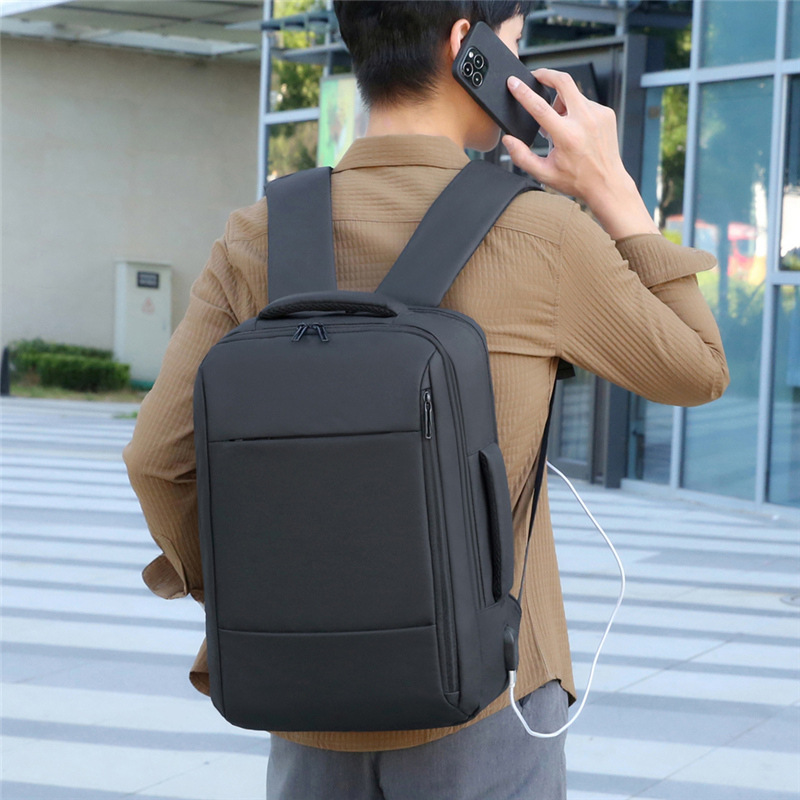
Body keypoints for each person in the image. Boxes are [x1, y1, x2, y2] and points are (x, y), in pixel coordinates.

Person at [123, 2, 729, 798]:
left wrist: (270, 599)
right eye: (514, 45)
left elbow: (157, 461)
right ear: (464, 43)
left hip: (309, 709)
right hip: (487, 703)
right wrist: (611, 188)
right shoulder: (543, 235)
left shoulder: (257, 234)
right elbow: (698, 368)